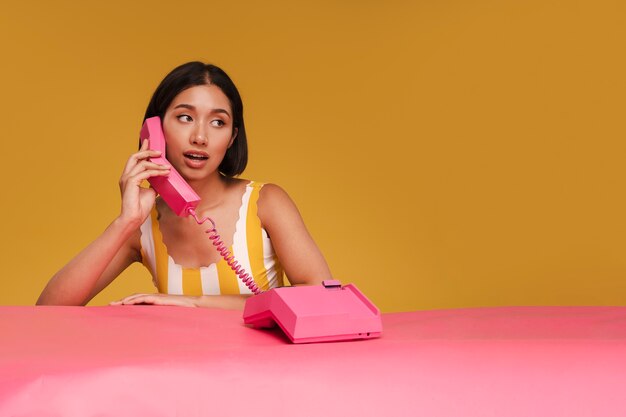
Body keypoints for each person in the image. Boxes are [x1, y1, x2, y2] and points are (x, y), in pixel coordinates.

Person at [37, 62, 332, 309]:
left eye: (218, 122)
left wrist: (194, 303)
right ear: (155, 130)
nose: (200, 137)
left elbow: (321, 297)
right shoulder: (143, 227)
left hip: (263, 374)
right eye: (185, 117)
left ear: (231, 138)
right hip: (180, 374)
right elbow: (48, 310)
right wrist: (125, 222)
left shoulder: (265, 202)